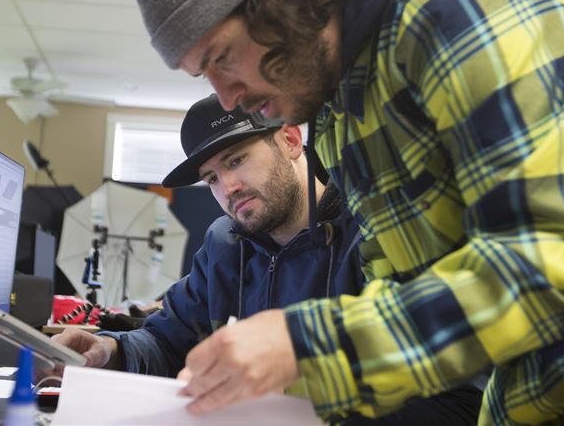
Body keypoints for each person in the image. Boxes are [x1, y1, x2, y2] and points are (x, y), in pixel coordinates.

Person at [133, 0, 564, 425]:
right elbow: (407, 288)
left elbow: (543, 269)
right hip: (549, 386)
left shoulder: (461, 4)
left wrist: (305, 345)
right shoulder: (341, 115)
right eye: (204, 75)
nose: (226, 97)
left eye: (222, 58)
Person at [49, 95, 365, 379]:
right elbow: (166, 340)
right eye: (211, 178)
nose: (228, 188)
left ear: (290, 139)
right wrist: (109, 349)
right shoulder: (224, 244)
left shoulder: (365, 233)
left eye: (236, 160)